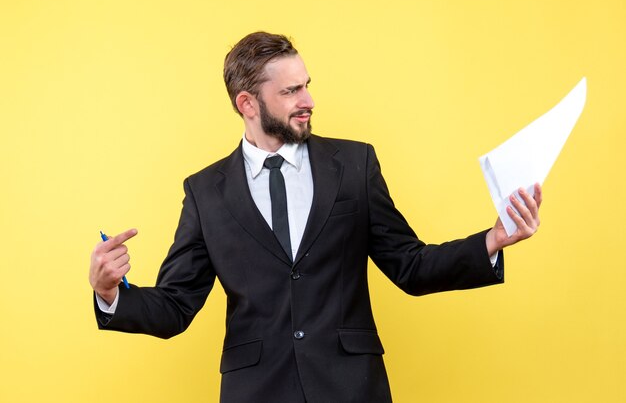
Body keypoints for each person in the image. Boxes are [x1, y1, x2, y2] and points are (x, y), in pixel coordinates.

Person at [90, 31, 542, 403]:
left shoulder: (354, 165)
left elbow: (410, 265)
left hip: (351, 387)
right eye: (290, 91)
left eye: (307, 84)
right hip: (257, 391)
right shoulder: (206, 191)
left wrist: (492, 240)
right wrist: (109, 292)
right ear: (248, 103)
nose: (307, 99)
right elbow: (176, 305)